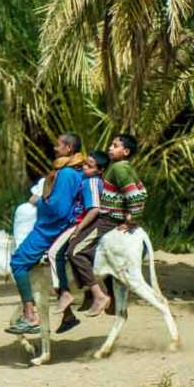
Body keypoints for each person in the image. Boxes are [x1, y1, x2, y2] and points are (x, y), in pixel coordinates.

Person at [5, 133, 85, 336]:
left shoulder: (66, 174)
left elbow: (58, 208)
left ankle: (31, 316)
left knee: (18, 263)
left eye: (58, 145)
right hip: (56, 225)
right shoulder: (74, 170)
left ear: (68, 148)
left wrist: (39, 201)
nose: (55, 148)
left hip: (51, 228)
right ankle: (67, 315)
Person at [68, 134, 148, 318]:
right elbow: (143, 192)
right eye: (111, 145)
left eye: (115, 145)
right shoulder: (124, 168)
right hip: (112, 219)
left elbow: (135, 196)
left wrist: (131, 220)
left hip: (107, 221)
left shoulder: (119, 169)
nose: (110, 148)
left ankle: (99, 296)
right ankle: (97, 294)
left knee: (75, 251)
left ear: (125, 152)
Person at [53, 150, 109, 334]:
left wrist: (79, 228)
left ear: (99, 170)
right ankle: (87, 292)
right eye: (84, 164)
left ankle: (98, 294)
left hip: (94, 222)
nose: (84, 167)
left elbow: (94, 209)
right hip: (87, 222)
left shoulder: (92, 182)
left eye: (89, 166)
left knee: (74, 252)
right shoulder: (87, 180)